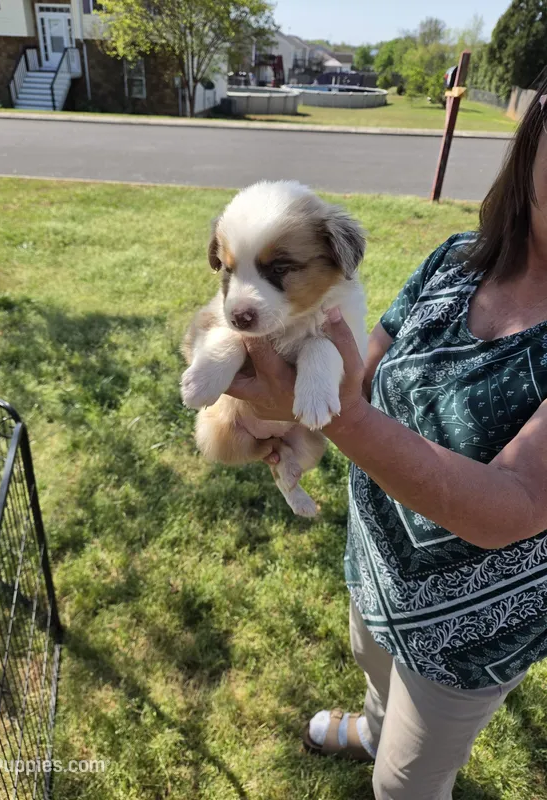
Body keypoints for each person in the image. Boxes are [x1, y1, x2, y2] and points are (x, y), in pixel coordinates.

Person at [225, 84, 547, 799]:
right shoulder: (457, 259)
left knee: (406, 785)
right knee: (372, 665)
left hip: (469, 633)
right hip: (375, 559)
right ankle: (373, 726)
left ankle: (393, 758)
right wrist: (293, 405)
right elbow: (363, 368)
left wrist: (339, 420)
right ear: (534, 143)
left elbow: (514, 504)